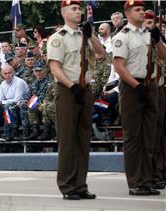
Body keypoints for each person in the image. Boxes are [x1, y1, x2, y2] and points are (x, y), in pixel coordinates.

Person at [47, 0, 105, 200]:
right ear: (64, 13)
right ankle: (67, 185)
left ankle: (81, 184)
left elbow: (101, 53)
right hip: (67, 90)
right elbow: (55, 68)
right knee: (67, 140)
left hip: (85, 89)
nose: (78, 11)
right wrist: (72, 86)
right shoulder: (58, 38)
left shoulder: (84, 35)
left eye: (79, 8)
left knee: (83, 139)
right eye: (73, 8)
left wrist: (92, 35)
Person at [112, 0, 166, 196]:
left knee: (149, 135)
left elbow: (163, 56)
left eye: (143, 9)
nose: (142, 12)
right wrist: (136, 86)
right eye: (138, 9)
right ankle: (135, 182)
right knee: (134, 137)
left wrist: (158, 39)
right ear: (128, 13)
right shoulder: (122, 37)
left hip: (150, 86)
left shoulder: (148, 34)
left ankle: (148, 178)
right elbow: (119, 65)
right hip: (132, 86)